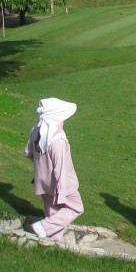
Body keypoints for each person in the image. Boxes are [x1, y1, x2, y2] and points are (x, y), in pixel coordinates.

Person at [24, 97, 84, 241]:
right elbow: (60, 170)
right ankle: (42, 227)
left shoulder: (37, 131)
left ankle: (53, 242)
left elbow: (28, 152)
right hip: (62, 185)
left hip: (42, 182)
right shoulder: (57, 141)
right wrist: (61, 193)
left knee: (53, 213)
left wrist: (41, 169)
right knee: (76, 207)